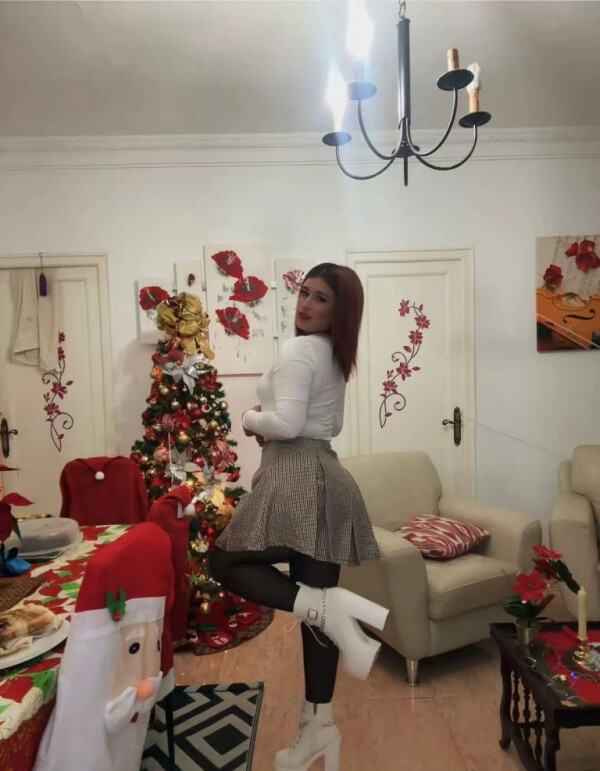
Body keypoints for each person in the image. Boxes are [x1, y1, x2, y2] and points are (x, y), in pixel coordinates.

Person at [210, 263, 388, 771]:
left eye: (321, 298)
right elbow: (328, 423)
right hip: (327, 473)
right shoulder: (336, 354)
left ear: (341, 309)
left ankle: (330, 611)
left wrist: (249, 418)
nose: (306, 304)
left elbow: (286, 425)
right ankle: (320, 729)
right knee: (318, 613)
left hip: (296, 475)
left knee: (223, 561)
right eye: (304, 293)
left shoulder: (298, 350)